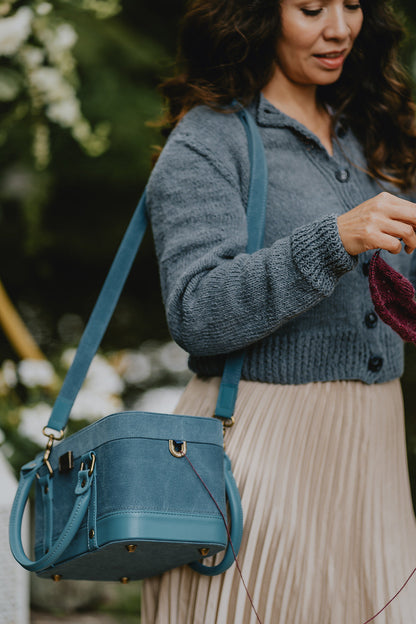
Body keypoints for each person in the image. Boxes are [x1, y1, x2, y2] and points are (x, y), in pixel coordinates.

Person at [141, 0, 416, 622]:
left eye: (353, 5)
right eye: (312, 8)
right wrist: (336, 239)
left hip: (374, 449)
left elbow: (400, 298)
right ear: (258, 15)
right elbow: (197, 310)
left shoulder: (375, 131)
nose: (340, 28)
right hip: (262, 446)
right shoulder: (210, 139)